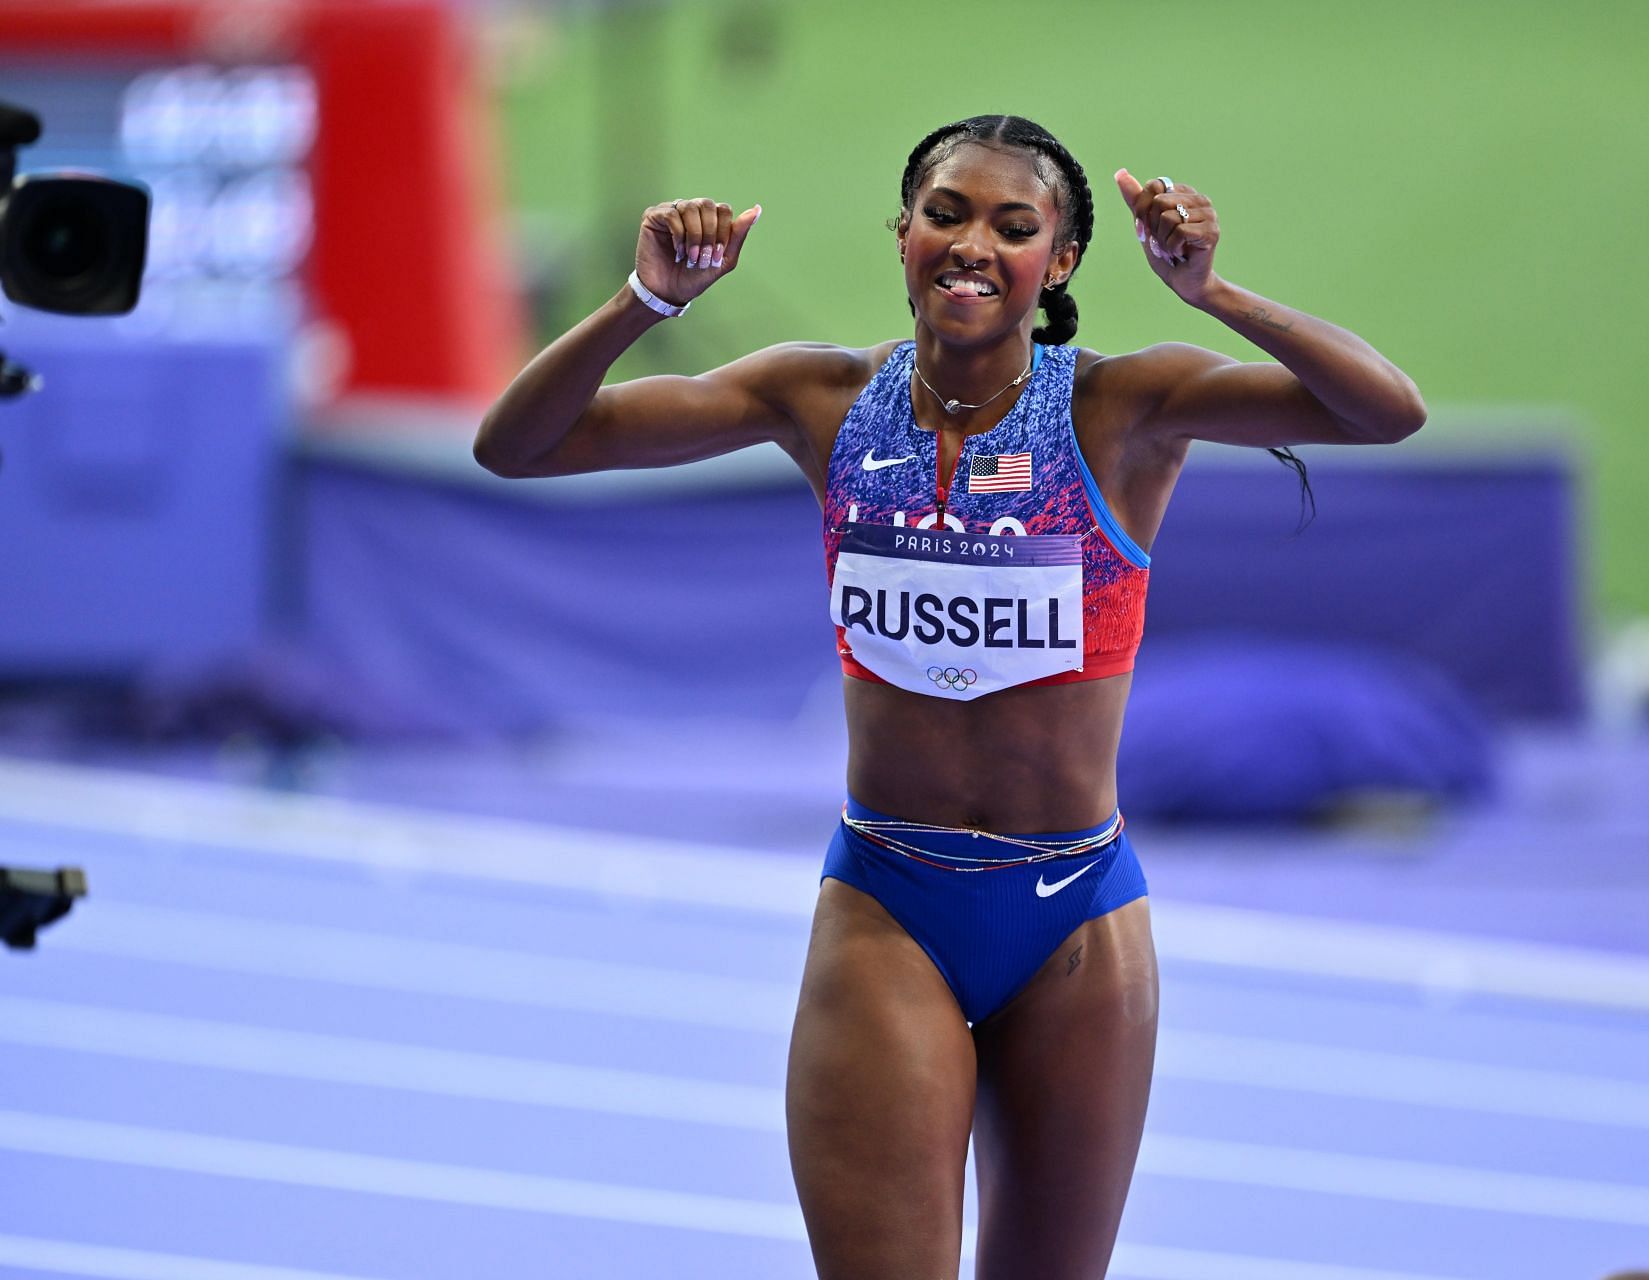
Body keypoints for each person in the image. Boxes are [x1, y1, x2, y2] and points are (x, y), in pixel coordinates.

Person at [475, 113, 1424, 1280]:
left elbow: (1386, 409)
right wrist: (644, 301)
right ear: (904, 235)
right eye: (947, 213)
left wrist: (1213, 294)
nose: (974, 243)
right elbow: (518, 446)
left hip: (1075, 914)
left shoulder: (1122, 411)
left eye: (1013, 227)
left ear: (1058, 262)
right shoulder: (819, 399)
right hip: (890, 901)